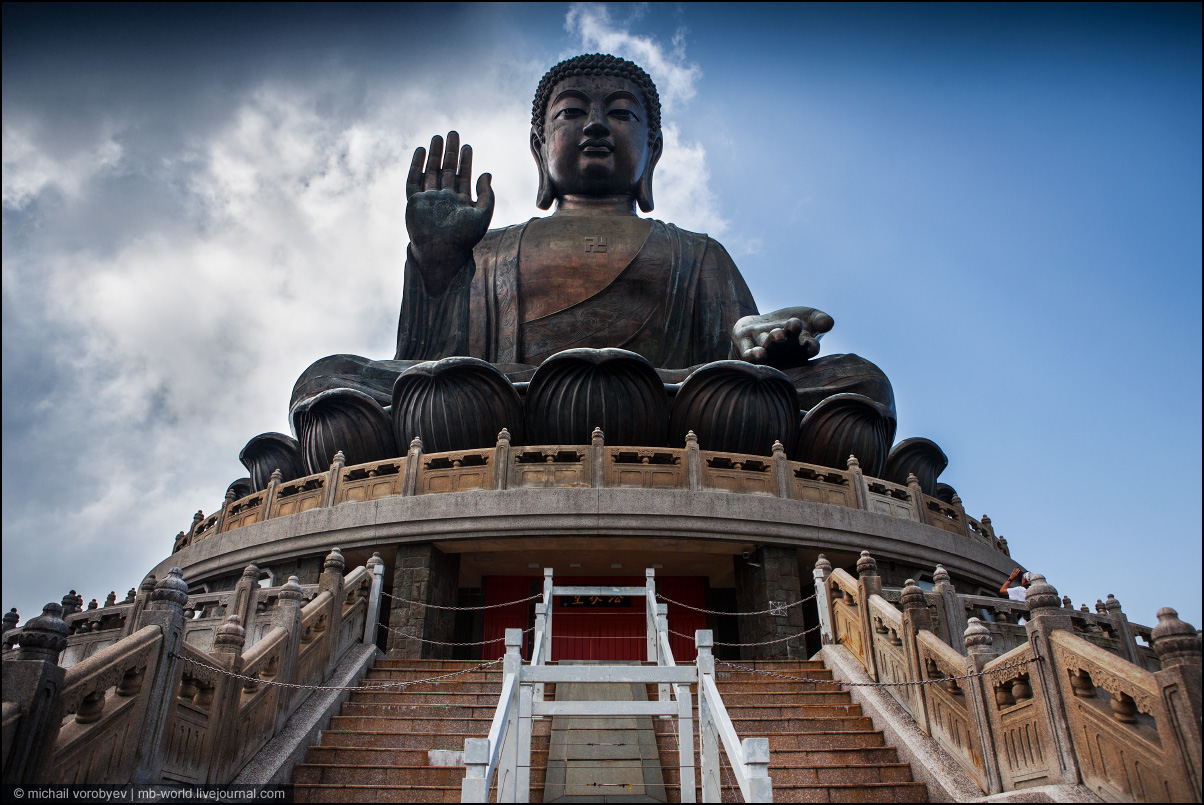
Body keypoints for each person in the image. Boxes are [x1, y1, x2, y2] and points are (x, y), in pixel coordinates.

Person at [289, 54, 895, 469]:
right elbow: (431, 366)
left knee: (862, 383)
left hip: (669, 402)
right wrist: (437, 263)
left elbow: (736, 364)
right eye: (573, 112)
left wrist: (757, 346)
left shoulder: (696, 253)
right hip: (506, 405)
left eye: (622, 114)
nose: (598, 126)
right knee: (326, 380)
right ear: (539, 148)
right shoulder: (493, 249)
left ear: (651, 150)